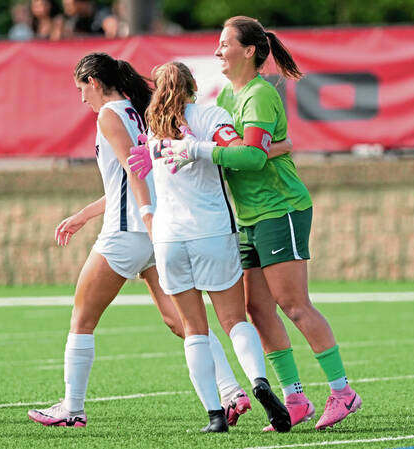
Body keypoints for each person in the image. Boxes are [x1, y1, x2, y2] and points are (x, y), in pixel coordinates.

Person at [147, 16, 363, 431]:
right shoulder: (228, 94)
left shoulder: (259, 95)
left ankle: (342, 392)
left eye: (225, 43)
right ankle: (295, 397)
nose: (217, 50)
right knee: (257, 309)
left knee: (294, 305)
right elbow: (249, 146)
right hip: (246, 215)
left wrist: (197, 149)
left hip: (279, 208)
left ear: (249, 51)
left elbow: (251, 156)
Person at [27, 53, 250, 428]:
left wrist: (145, 220)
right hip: (155, 230)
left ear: (94, 83)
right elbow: (129, 178)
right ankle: (231, 391)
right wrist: (85, 215)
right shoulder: (138, 110)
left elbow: (134, 170)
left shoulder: (109, 114)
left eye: (82, 89)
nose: (82, 98)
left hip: (129, 232)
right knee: (180, 320)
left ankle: (73, 408)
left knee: (81, 317)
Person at [130, 61, 292, 433]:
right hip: (212, 232)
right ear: (192, 86)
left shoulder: (152, 128)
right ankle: (259, 382)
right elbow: (234, 149)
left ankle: (215, 415)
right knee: (234, 319)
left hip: (169, 237)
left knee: (193, 330)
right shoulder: (210, 113)